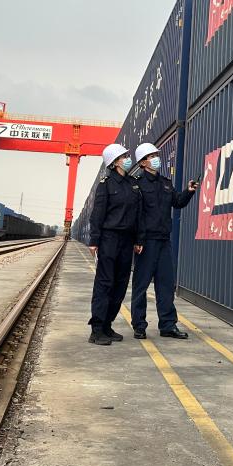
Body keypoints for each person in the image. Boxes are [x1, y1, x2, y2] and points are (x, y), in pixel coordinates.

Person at [130, 142, 198, 339]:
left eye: (156, 155)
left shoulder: (166, 183)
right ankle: (139, 325)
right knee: (141, 285)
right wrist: (137, 240)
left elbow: (178, 202)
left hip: (163, 242)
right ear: (143, 162)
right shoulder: (137, 184)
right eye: (152, 156)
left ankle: (168, 325)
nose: (156, 159)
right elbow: (135, 215)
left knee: (166, 285)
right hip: (145, 242)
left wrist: (189, 191)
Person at [87, 143, 141, 345]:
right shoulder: (106, 184)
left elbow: (137, 214)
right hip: (109, 239)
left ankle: (107, 325)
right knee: (105, 283)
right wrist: (94, 241)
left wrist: (138, 239)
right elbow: (97, 214)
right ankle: (96, 330)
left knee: (120, 284)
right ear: (115, 162)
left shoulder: (132, 184)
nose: (128, 159)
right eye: (124, 156)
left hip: (127, 240)